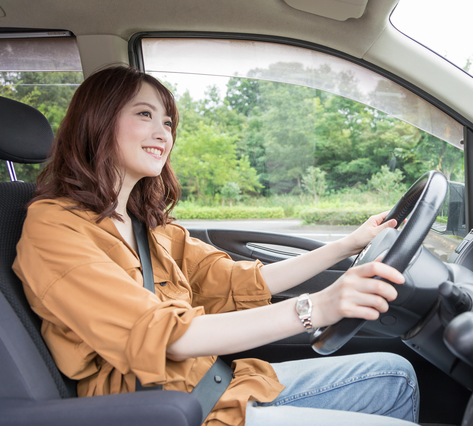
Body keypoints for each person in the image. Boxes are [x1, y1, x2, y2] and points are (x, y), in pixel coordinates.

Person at [12, 66, 420, 426]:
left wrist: (347, 245)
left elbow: (244, 281)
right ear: (97, 122)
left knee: (396, 376)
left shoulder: (148, 226)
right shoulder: (53, 228)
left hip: (223, 382)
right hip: (169, 409)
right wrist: (317, 307)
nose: (163, 133)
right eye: (144, 114)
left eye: (168, 122)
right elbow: (167, 337)